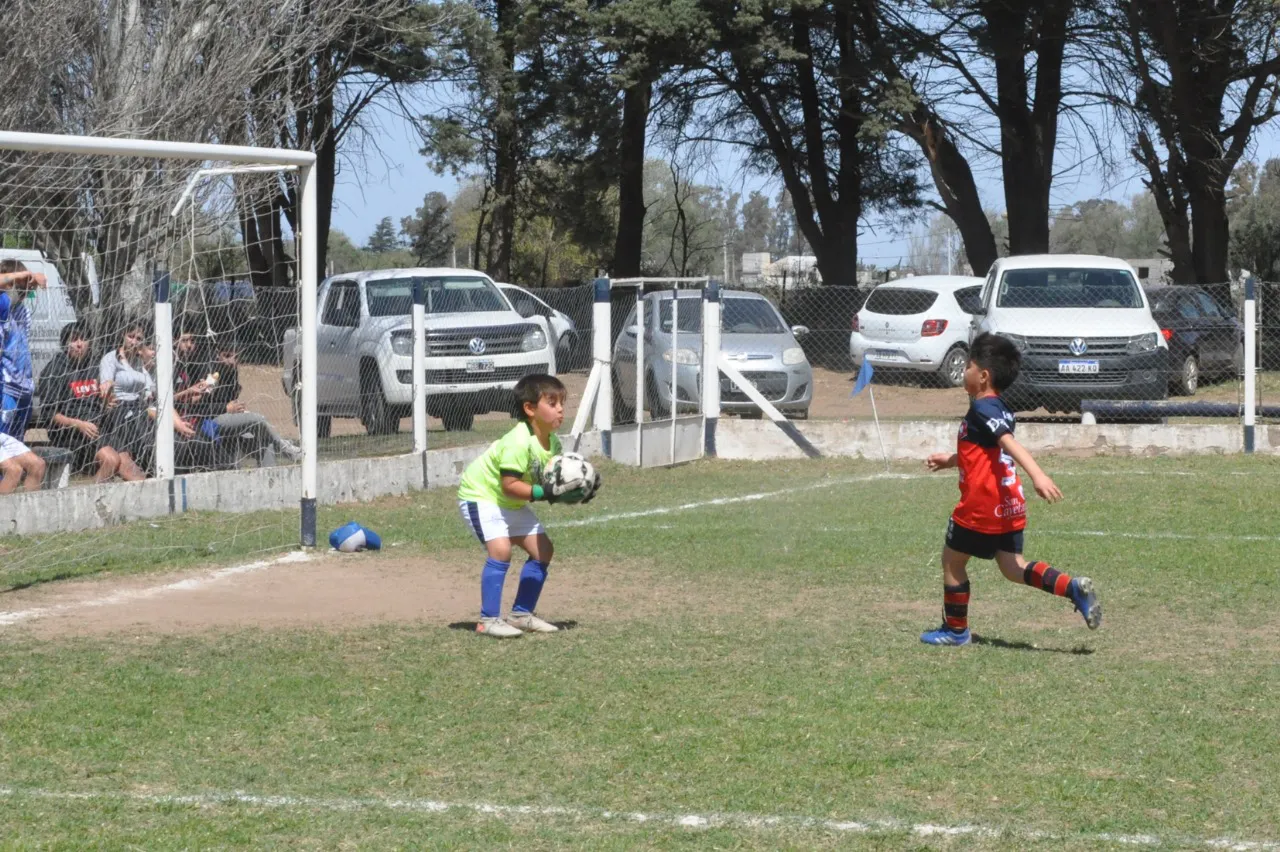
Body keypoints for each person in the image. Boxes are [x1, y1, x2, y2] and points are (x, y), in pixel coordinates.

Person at [920, 332, 1102, 647]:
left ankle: (955, 630)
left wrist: (1039, 476)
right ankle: (1072, 588)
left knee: (952, 561)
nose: (964, 372)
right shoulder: (1001, 408)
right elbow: (987, 453)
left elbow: (1007, 443)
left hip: (983, 507)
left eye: (968, 367)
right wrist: (952, 460)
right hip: (1009, 505)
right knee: (1012, 567)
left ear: (983, 376)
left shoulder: (983, 409)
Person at [456, 374, 582, 638]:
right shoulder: (518, 441)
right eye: (552, 402)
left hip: (510, 503)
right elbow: (510, 485)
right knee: (500, 551)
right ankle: (488, 620)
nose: (560, 409)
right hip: (482, 496)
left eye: (562, 403)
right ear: (530, 408)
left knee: (543, 550)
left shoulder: (553, 443)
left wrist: (572, 489)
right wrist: (545, 492)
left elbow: (549, 483)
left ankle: (520, 615)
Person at [171, 332, 300, 468]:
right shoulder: (208, 373)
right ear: (217, 354)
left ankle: (271, 482)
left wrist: (236, 408)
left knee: (264, 442)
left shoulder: (232, 372)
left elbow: (230, 401)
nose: (231, 361)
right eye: (227, 356)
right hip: (209, 421)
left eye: (235, 356)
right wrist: (226, 408)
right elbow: (199, 407)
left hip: (227, 418)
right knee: (258, 419)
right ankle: (287, 449)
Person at [37, 321, 136, 482]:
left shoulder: (95, 366)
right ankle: (91, 499)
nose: (79, 344)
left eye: (83, 339)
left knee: (127, 463)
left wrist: (108, 403)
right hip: (71, 433)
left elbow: (102, 400)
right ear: (65, 343)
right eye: (74, 339)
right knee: (111, 460)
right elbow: (50, 415)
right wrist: (79, 424)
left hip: (99, 428)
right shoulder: (54, 370)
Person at [98, 321, 162, 476]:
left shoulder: (140, 363)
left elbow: (151, 391)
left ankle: (156, 465)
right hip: (119, 411)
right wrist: (108, 391)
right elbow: (105, 386)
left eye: (139, 338)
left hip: (139, 408)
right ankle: (152, 466)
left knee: (156, 421)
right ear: (123, 335)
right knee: (142, 426)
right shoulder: (111, 358)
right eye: (131, 336)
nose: (134, 341)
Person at [0, 259, 48, 442]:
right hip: (7, 387)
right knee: (4, 442)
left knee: (17, 443)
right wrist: (23, 276)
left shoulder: (23, 311)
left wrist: (34, 280)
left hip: (24, 387)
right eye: (20, 286)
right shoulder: (2, 304)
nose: (25, 290)